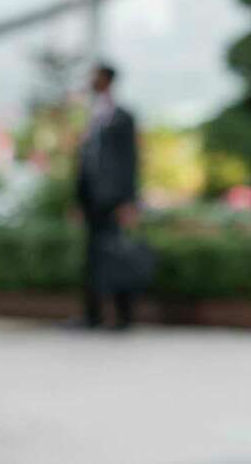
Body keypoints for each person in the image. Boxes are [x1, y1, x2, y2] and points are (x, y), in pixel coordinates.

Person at [71, 61, 140, 330]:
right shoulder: (90, 114)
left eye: (95, 76)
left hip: (114, 200)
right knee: (92, 258)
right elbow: (84, 162)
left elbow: (131, 160)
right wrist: (78, 199)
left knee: (116, 254)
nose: (90, 80)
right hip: (92, 200)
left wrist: (129, 200)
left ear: (107, 79)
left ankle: (123, 317)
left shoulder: (122, 116)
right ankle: (92, 315)